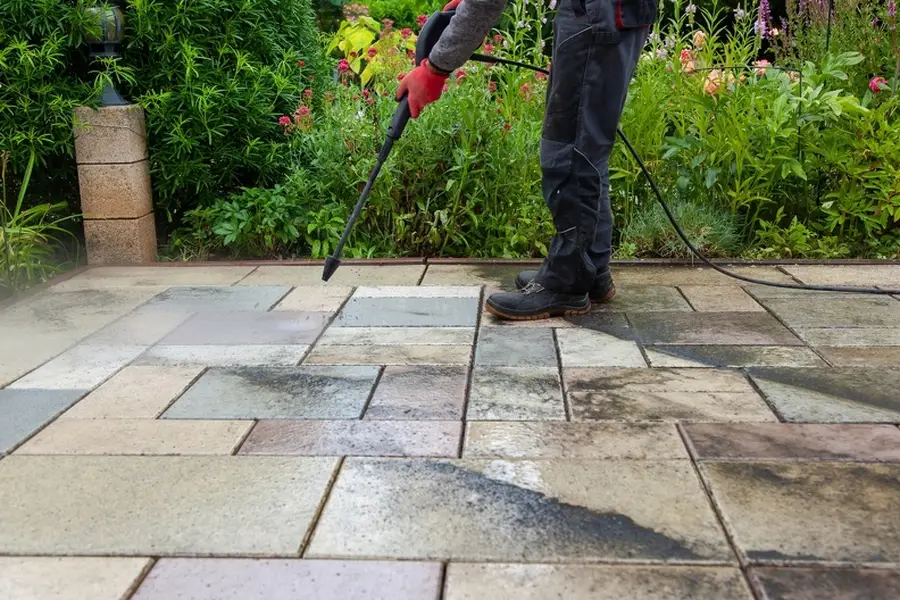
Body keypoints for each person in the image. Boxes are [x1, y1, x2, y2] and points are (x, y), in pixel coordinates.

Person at [397, 0, 658, 320]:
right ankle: (590, 269)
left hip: (595, 16)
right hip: (615, 14)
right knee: (587, 145)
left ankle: (567, 279)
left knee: (568, 149)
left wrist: (435, 68)